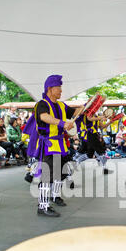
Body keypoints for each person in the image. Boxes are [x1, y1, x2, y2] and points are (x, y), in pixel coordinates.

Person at [24, 74, 82, 217]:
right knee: (47, 176)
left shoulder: (62, 105)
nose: (61, 91)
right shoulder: (41, 104)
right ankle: (42, 206)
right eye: (58, 88)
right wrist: (62, 123)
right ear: (50, 89)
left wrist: (84, 108)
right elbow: (44, 117)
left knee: (59, 174)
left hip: (60, 144)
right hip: (48, 144)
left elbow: (76, 112)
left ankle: (54, 196)